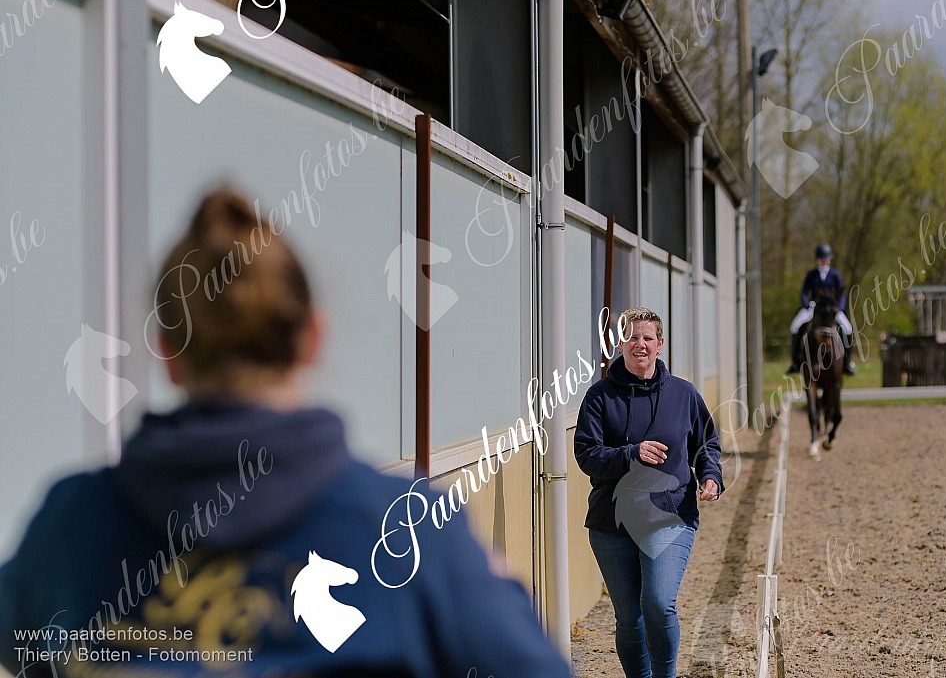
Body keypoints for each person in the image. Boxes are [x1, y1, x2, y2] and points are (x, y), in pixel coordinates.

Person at [0, 187, 571, 678]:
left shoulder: (69, 525)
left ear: (168, 355)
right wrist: (501, 596)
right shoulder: (411, 533)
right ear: (313, 339)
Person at [574, 307, 724, 678]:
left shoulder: (684, 394)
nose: (639, 344)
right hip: (612, 521)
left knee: (658, 603)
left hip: (669, 516)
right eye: (632, 337)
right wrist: (630, 454)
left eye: (647, 337)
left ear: (660, 344)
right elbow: (586, 455)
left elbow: (707, 444)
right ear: (620, 343)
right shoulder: (599, 397)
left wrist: (710, 476)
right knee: (628, 616)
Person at [786, 243, 856, 376]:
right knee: (794, 326)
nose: (824, 261)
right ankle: (795, 361)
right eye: (822, 259)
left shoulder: (835, 274)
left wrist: (839, 307)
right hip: (814, 307)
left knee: (848, 328)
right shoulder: (812, 275)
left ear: (830, 259)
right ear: (817, 259)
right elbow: (804, 292)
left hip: (832, 309)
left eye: (826, 258)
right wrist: (806, 304)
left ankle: (847, 362)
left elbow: (842, 294)